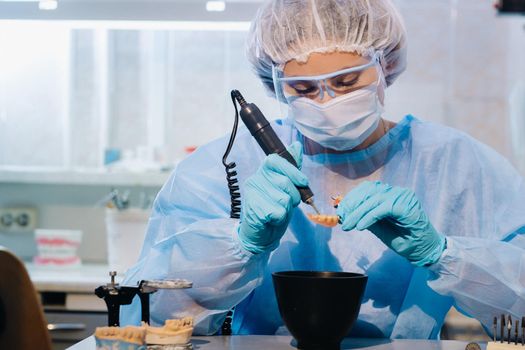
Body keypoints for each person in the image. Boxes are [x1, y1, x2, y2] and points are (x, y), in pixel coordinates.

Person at [121, 0, 525, 339]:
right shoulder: (222, 167)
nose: (328, 102)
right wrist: (239, 246)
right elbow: (146, 319)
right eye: (304, 89)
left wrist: (442, 254)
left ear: (384, 66)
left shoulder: (454, 164)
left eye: (348, 81)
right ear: (275, 85)